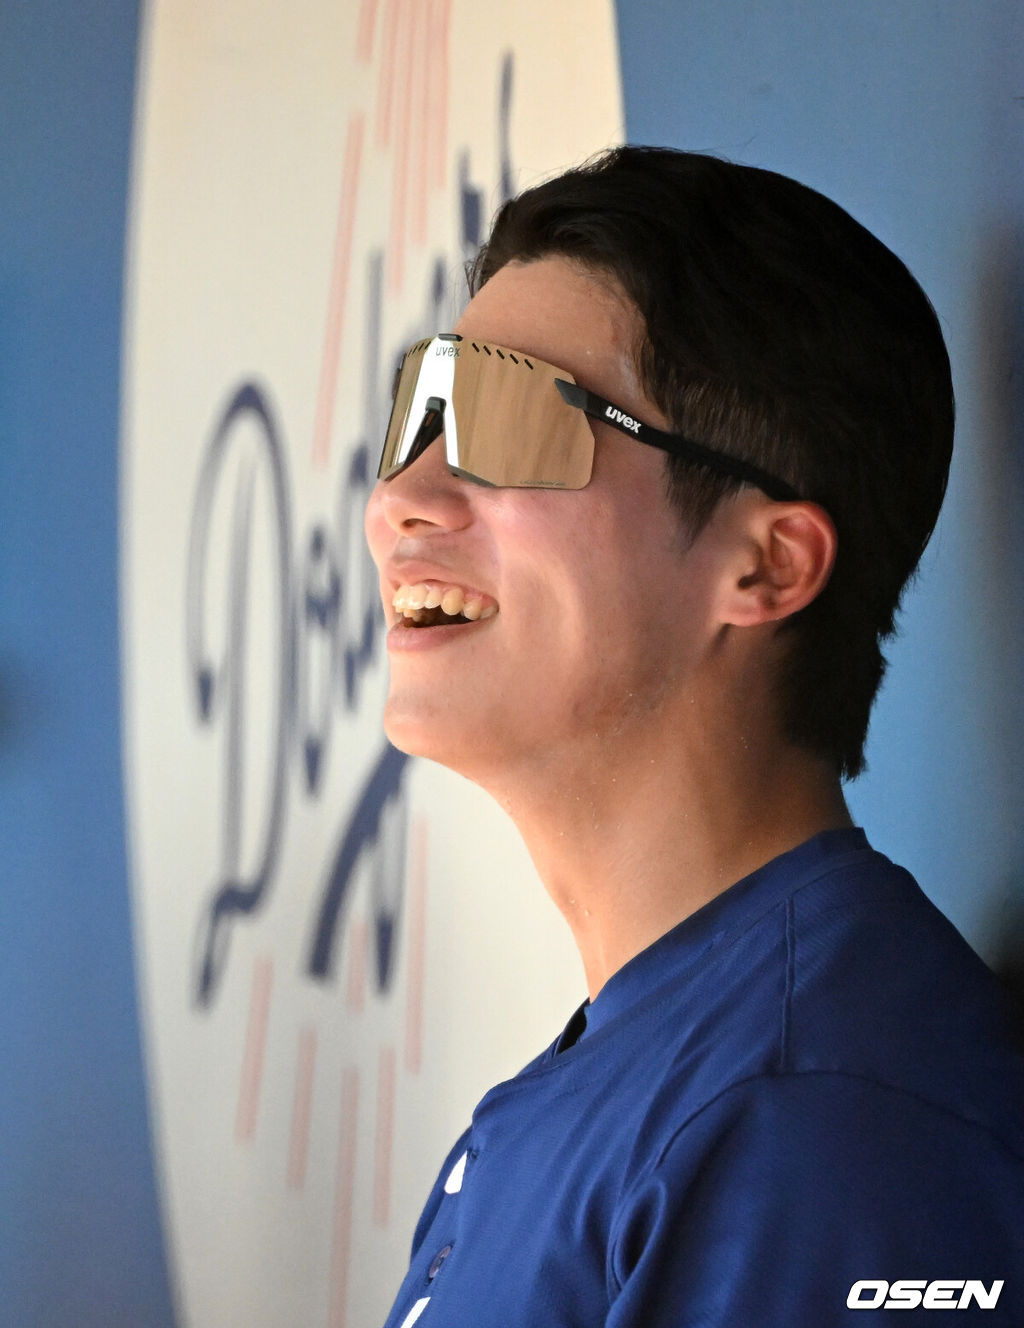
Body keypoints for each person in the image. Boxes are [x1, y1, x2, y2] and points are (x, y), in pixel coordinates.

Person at [365, 146, 1024, 1326]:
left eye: (509, 421)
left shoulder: (817, 1117)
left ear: (764, 564)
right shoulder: (657, 1075)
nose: (401, 499)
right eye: (423, 411)